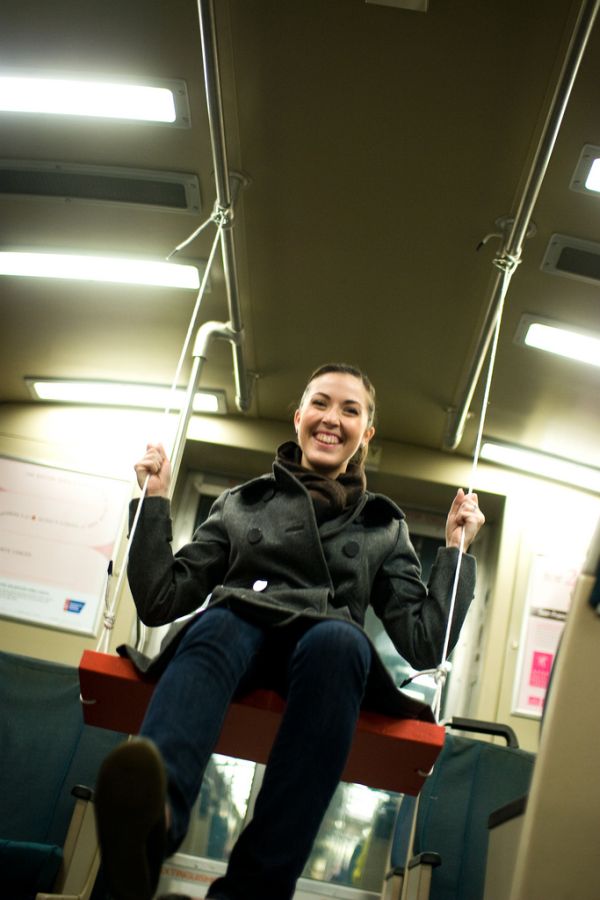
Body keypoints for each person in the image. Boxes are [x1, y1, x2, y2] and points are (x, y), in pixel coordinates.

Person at [95, 362, 485, 900]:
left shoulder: (382, 526)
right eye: (321, 403)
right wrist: (157, 500)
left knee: (341, 639)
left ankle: (254, 888)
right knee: (221, 622)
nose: (332, 418)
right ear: (298, 416)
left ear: (365, 435)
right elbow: (163, 599)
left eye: (351, 410)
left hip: (326, 656)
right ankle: (153, 819)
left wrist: (454, 552)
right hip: (239, 635)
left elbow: (424, 643)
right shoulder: (243, 502)